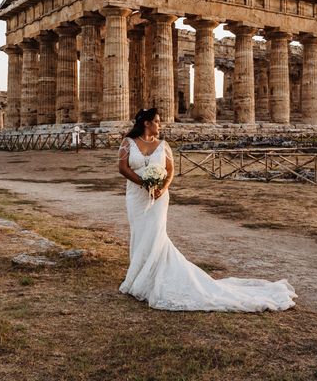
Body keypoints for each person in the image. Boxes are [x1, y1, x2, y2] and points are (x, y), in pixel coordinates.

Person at [117, 108, 297, 312]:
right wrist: (143, 183)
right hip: (137, 196)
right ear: (146, 123)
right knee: (139, 233)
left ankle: (151, 277)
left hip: (158, 197)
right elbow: (123, 168)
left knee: (156, 234)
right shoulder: (128, 142)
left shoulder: (163, 145)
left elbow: (170, 171)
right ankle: (139, 274)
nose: (160, 125)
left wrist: (161, 188)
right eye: (157, 121)